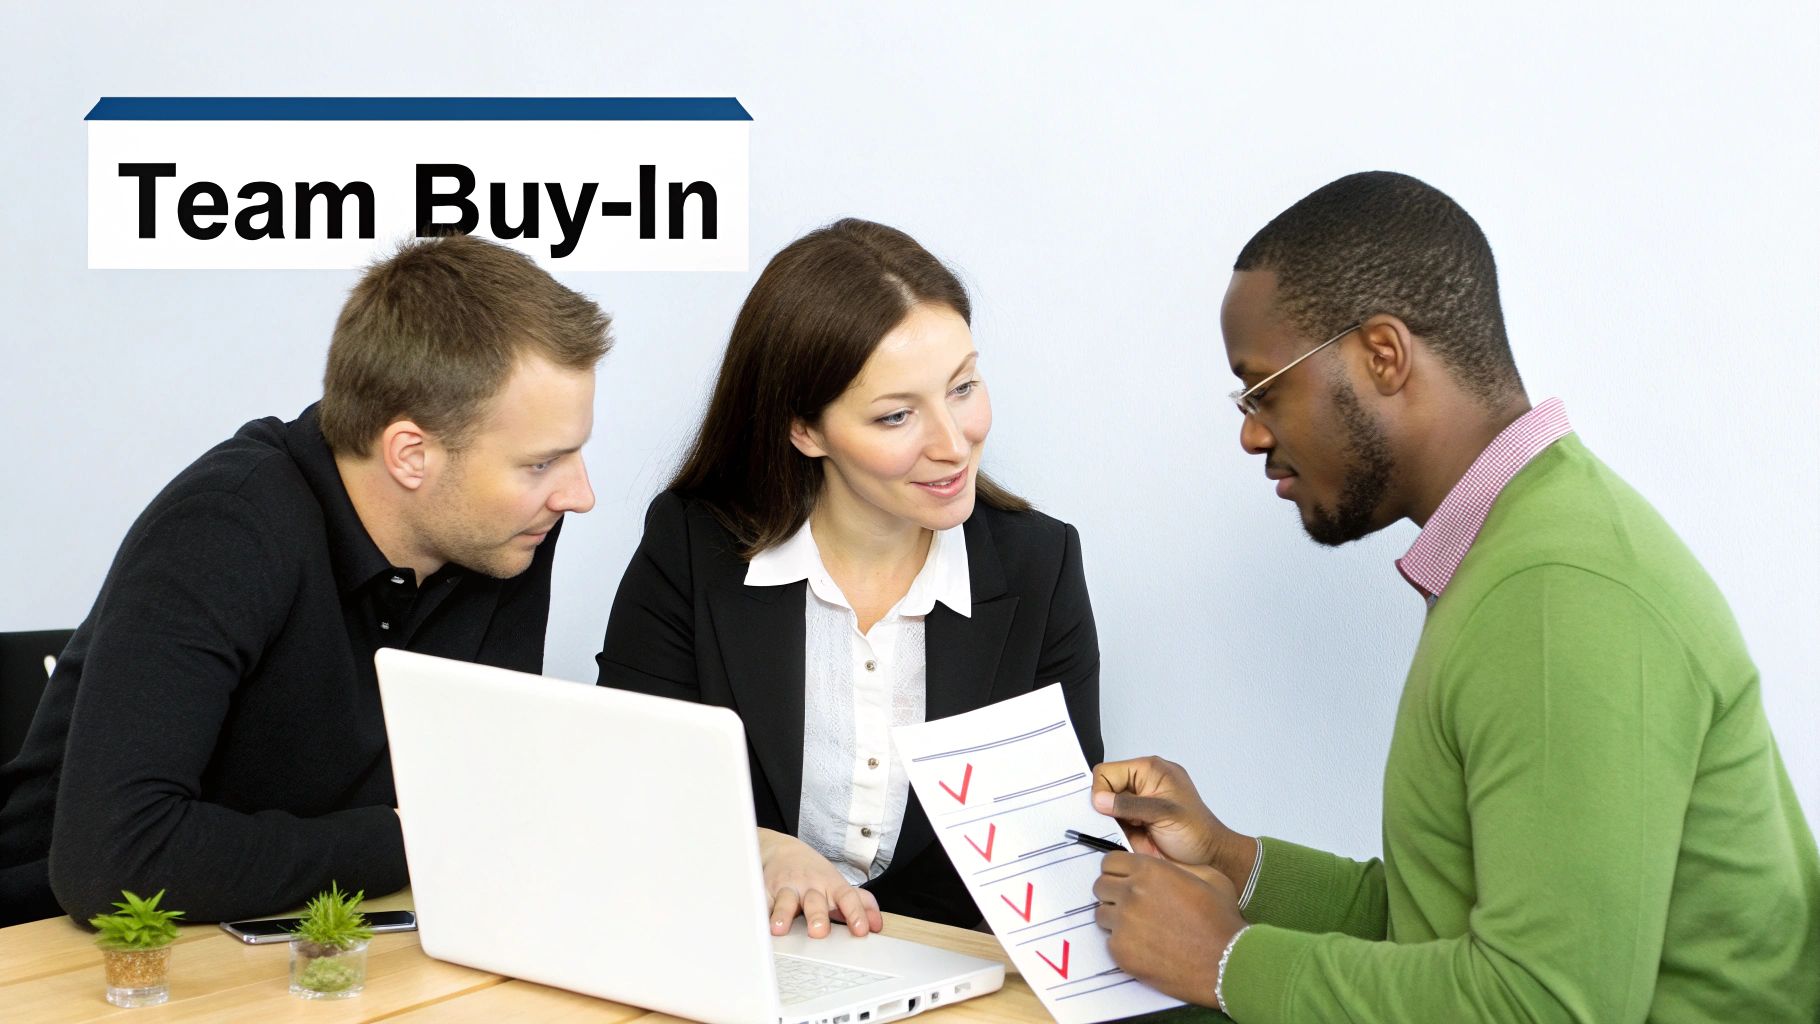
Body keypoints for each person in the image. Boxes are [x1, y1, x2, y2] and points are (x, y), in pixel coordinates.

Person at [1089, 172, 1820, 1021]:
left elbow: (1540, 1004)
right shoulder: (1522, 547)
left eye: (1264, 390)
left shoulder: (1558, 596)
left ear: (1383, 355)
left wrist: (1227, 964)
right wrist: (1230, 861)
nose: (1252, 433)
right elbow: (1447, 931)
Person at [0, 234, 608, 926]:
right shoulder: (225, 527)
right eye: (540, 463)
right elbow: (117, 861)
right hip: (66, 952)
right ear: (411, 454)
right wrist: (408, 836)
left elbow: (484, 797)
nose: (578, 494)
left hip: (317, 932)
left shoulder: (506, 530)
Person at [597, 218, 1101, 937]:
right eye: (897, 416)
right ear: (805, 429)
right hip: (739, 957)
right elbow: (628, 782)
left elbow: (1056, 847)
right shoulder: (692, 547)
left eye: (963, 387)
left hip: (956, 982)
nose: (954, 445)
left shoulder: (1040, 566)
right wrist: (760, 848)